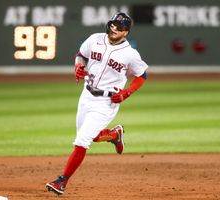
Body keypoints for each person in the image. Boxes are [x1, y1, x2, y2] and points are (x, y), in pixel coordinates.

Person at [46, 12, 148, 195]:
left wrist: (126, 93)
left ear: (126, 32)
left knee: (81, 141)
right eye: (113, 24)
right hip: (86, 96)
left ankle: (62, 181)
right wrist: (78, 66)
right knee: (89, 136)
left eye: (120, 27)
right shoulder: (95, 39)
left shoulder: (130, 54)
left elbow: (142, 76)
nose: (115, 28)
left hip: (106, 102)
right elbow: (81, 55)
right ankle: (114, 135)